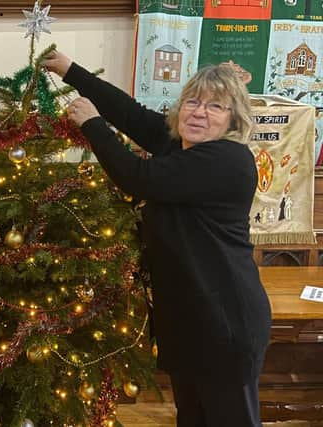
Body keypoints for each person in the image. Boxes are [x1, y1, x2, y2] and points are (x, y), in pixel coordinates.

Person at [43, 51, 272, 426]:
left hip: (225, 320)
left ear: (233, 119)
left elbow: (138, 177)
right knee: (193, 417)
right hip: (189, 316)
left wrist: (92, 125)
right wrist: (71, 70)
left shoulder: (225, 160)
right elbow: (129, 113)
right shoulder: (180, 144)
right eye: (193, 102)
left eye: (215, 106)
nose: (199, 112)